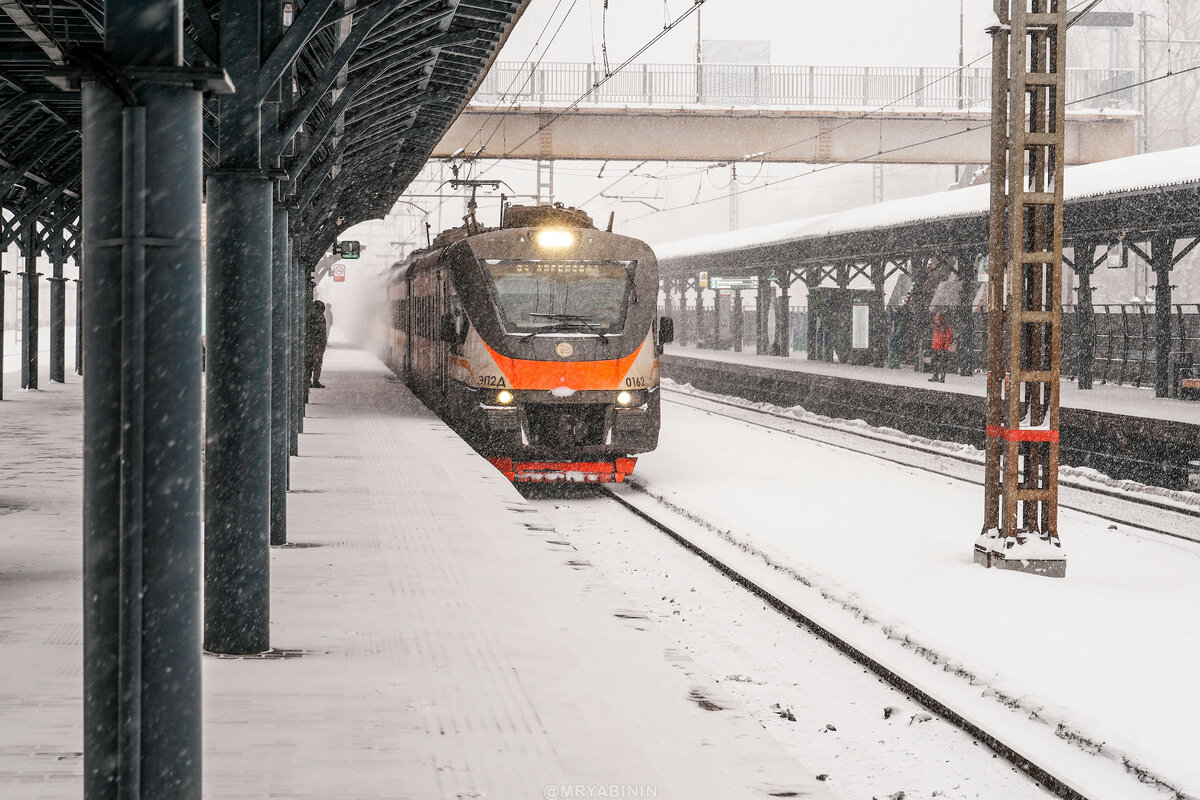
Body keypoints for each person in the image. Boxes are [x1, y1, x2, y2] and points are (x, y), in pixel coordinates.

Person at [307, 300, 329, 388]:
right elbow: (320, 330)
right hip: (317, 344)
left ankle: (309, 381)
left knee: (311, 363)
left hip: (314, 343)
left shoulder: (312, 316)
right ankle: (315, 380)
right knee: (317, 363)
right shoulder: (319, 316)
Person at [929, 312, 954, 383]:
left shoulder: (944, 328)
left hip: (941, 347)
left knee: (941, 363)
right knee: (937, 363)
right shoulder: (938, 327)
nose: (937, 322)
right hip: (937, 347)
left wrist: (944, 347)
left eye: (937, 320)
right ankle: (936, 376)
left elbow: (949, 338)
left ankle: (940, 377)